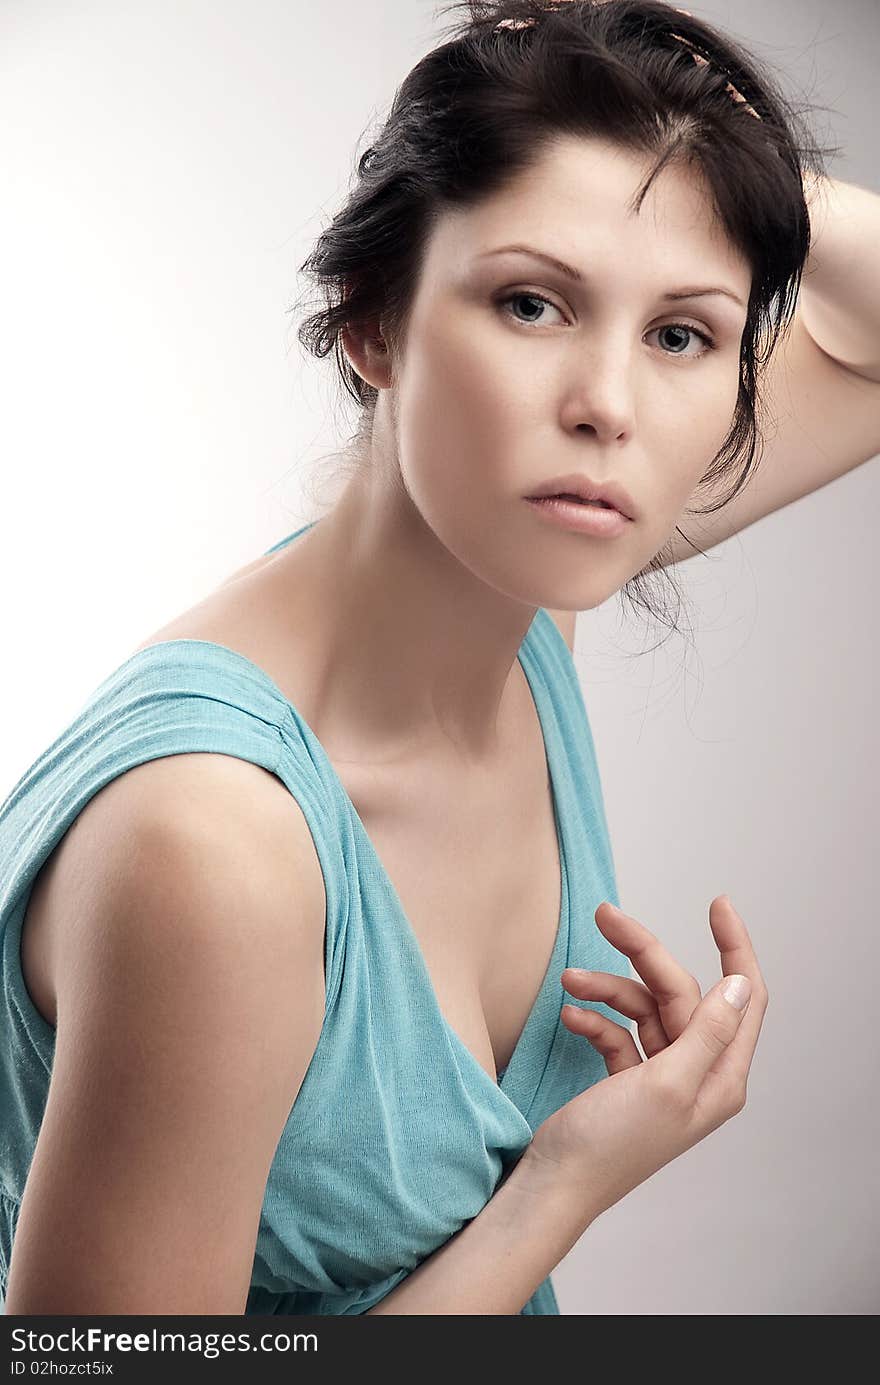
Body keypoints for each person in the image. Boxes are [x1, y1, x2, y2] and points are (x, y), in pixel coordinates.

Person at [8, 0, 866, 1314]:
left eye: (682, 334)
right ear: (373, 321)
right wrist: (564, 1184)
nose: (610, 405)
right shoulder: (216, 849)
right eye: (532, 302)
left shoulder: (527, 585)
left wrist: (661, 117)